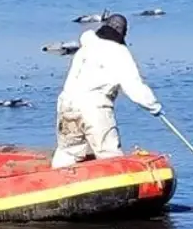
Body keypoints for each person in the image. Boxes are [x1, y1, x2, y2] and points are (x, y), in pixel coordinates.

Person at [51, 14, 163, 169]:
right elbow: (134, 87)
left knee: (68, 152)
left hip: (66, 104)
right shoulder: (119, 53)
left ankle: (57, 184)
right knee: (109, 155)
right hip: (94, 108)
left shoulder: (86, 46)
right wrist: (154, 106)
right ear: (122, 31)